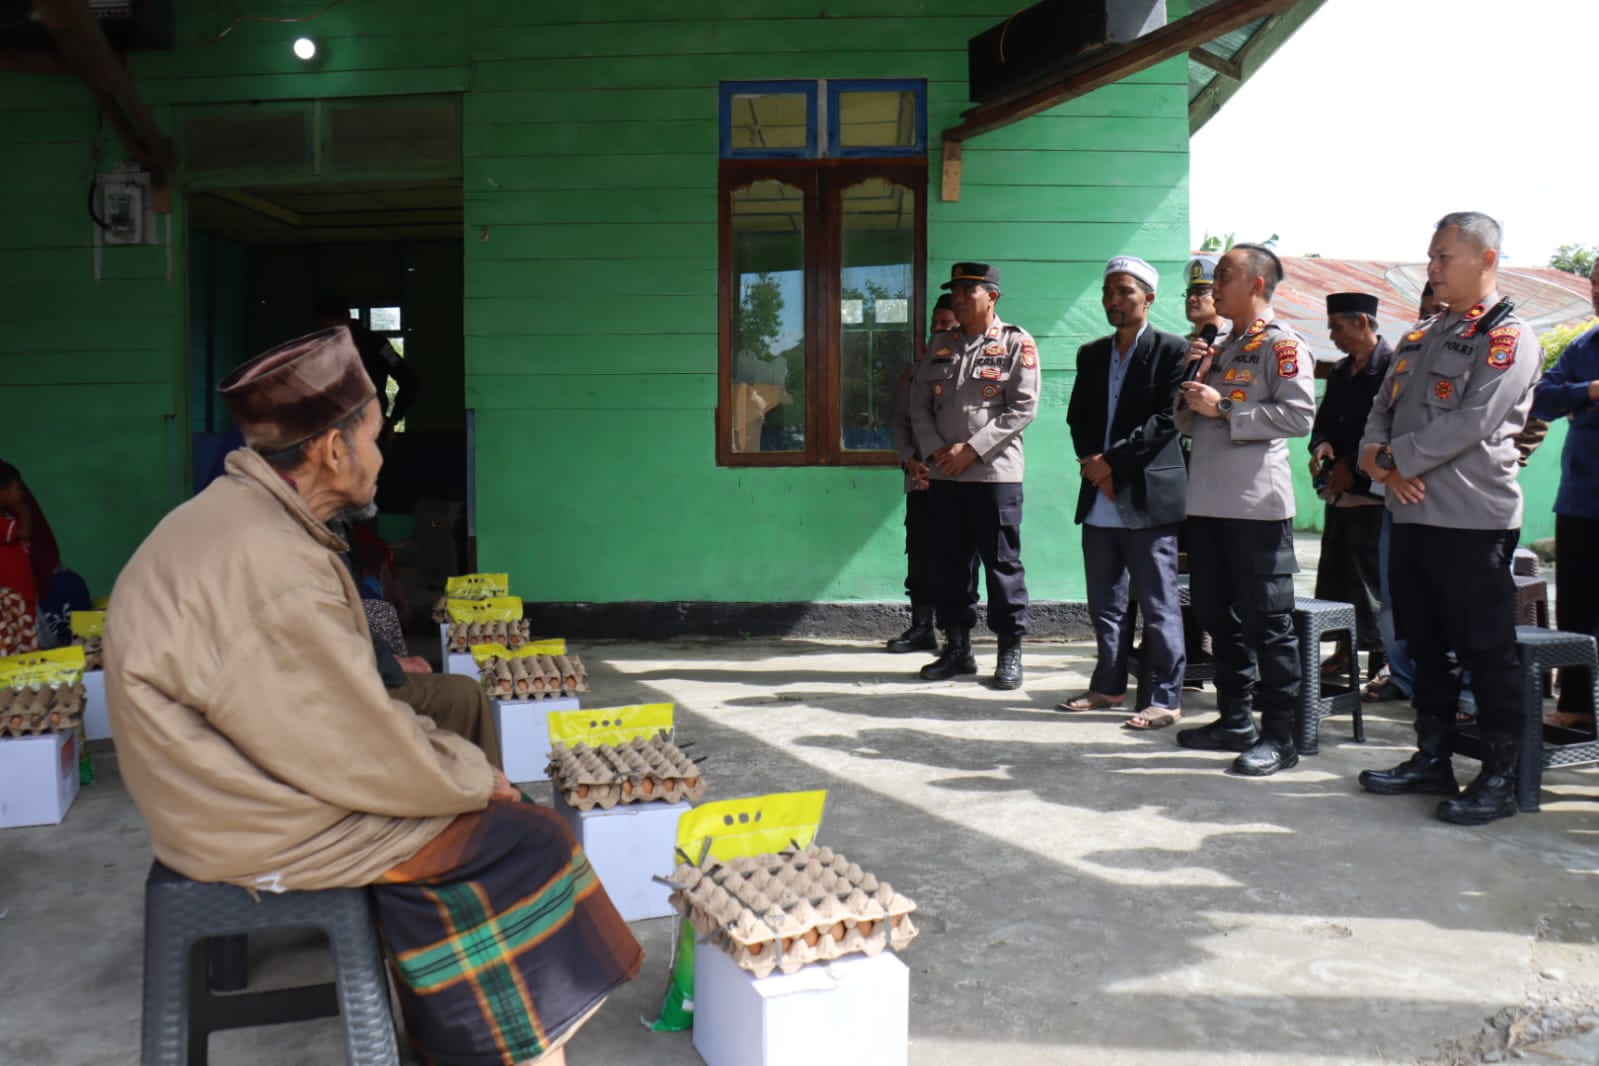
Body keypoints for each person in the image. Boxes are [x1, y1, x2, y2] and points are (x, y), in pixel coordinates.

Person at [105, 326, 640, 1066]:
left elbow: (324, 707)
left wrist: (448, 760)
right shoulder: (274, 564)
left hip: (222, 775)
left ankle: (455, 987)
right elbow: (349, 747)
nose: (382, 456)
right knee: (533, 839)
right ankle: (504, 1044)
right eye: (374, 438)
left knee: (460, 742)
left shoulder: (243, 514)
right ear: (332, 450)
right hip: (241, 808)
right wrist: (469, 778)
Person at [1356, 211, 1542, 826]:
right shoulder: (1421, 335)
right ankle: (1432, 757)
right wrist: (1377, 459)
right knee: (1423, 644)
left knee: (1485, 651)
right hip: (1410, 514)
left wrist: (1394, 460)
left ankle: (1499, 778)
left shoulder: (1508, 337)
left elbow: (1474, 420)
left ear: (1486, 259)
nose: (1432, 268)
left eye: (1443, 257)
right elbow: (1381, 409)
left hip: (1470, 519)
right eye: (1432, 256)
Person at [1173, 243, 1315, 776]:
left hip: (1256, 508)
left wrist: (1225, 405)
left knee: (1267, 624)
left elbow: (1298, 415)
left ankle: (1281, 736)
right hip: (1207, 503)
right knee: (1217, 617)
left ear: (1257, 283)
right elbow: (1188, 421)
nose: (1214, 287)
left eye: (1224, 276)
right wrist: (1193, 380)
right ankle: (1235, 720)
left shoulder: (1282, 344)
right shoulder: (1220, 345)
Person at [1060, 256, 1189, 728]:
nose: (1112, 300)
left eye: (1124, 292)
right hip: (1100, 496)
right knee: (1105, 603)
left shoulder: (1173, 350)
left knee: (1158, 603)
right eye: (1107, 292)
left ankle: (1165, 697)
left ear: (1148, 298)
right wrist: (1096, 467)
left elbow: (1166, 420)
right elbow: (1078, 417)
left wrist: (1113, 465)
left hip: (1147, 497)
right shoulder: (1091, 354)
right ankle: (1108, 685)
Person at [910, 262, 1040, 690]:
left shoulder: (1015, 342)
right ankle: (958, 650)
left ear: (992, 297)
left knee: (1002, 565)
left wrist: (971, 450)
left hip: (994, 475)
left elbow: (1022, 407)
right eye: (956, 292)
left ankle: (1009, 652)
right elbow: (918, 406)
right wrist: (936, 451)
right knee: (949, 567)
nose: (960, 299)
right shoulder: (941, 345)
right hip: (945, 476)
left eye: (970, 291)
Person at [1528, 256, 1599, 726]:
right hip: (1580, 499)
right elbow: (1541, 399)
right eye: (1594, 284)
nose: (1597, 293)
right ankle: (1575, 706)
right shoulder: (1583, 346)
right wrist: (1589, 392)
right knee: (1574, 608)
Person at [1307, 292, 1390, 680]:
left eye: (1338, 327)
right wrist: (1321, 445)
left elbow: (1392, 432)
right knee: (1337, 576)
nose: (1333, 336)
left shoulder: (1392, 369)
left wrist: (1355, 471)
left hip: (1375, 494)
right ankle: (1344, 651)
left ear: (1362, 323)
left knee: (1373, 580)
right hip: (1339, 492)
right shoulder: (1340, 372)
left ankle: (1383, 660)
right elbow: (1322, 422)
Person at [886, 294, 976, 652]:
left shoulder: (973, 370)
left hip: (961, 479)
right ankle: (922, 627)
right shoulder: (915, 372)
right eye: (936, 323)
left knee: (962, 560)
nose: (940, 330)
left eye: (948, 324)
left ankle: (958, 637)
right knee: (920, 554)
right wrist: (910, 459)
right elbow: (900, 421)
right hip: (922, 479)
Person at [314, 295, 419, 434]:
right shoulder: (377, 344)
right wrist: (392, 420)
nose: (330, 335)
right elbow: (408, 379)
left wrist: (392, 420)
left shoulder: (377, 345)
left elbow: (408, 380)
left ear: (346, 318)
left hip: (363, 429)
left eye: (332, 328)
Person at [1183, 254, 1231, 342]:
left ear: (1219, 296)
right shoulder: (1181, 345)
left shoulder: (1233, 343)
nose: (1191, 299)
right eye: (1189, 293)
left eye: (1200, 291)